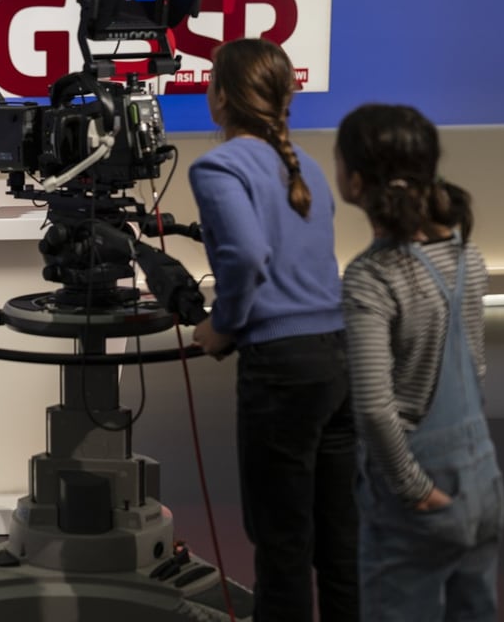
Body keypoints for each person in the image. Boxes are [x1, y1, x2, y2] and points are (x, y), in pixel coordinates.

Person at [188, 37, 359, 621]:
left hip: (282, 369)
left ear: (220, 98)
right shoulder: (305, 164)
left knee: (283, 547)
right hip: (338, 361)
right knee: (340, 546)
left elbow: (245, 257)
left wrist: (221, 326)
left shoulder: (217, 166)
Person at [336, 103, 504, 621]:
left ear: (357, 182)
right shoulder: (467, 257)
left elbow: (374, 410)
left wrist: (416, 492)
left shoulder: (371, 277)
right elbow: (475, 369)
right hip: (481, 478)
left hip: (420, 495)